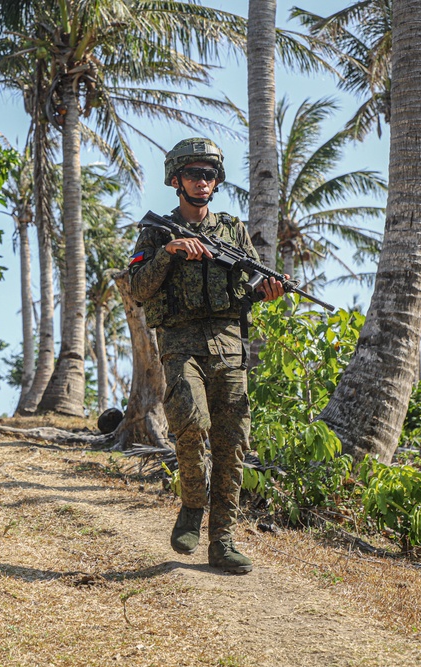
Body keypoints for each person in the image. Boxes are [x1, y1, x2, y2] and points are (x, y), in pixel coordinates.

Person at [127, 138, 287, 574]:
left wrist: (266, 293)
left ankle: (223, 540)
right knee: (191, 425)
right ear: (176, 179)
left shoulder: (233, 232)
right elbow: (138, 289)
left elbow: (250, 287)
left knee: (232, 444)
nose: (203, 182)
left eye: (210, 174)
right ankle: (192, 508)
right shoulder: (157, 231)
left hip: (229, 346)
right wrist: (168, 254)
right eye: (194, 174)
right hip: (181, 345)